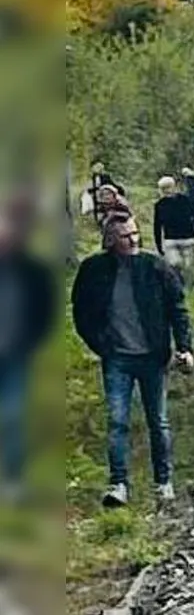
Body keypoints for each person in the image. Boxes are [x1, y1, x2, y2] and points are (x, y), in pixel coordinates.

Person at [71, 212, 194, 507]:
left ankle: (163, 482)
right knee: (117, 422)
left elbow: (178, 308)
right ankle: (118, 484)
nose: (134, 239)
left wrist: (184, 347)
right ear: (111, 240)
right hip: (117, 358)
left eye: (136, 233)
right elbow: (81, 311)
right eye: (126, 236)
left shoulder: (154, 266)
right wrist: (101, 344)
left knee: (159, 421)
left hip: (153, 357)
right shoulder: (93, 269)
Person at [0, 187, 56, 500]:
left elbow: (44, 312)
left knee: (11, 415)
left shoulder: (33, 271)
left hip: (15, 353)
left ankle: (12, 479)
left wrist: (30, 342)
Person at [153, 176, 194, 290]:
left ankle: (190, 288)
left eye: (168, 187)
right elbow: (157, 226)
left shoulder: (185, 200)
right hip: (170, 240)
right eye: (163, 188)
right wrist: (159, 246)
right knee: (175, 264)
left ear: (174, 187)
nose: (167, 191)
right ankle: (178, 285)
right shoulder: (159, 205)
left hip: (188, 238)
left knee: (189, 266)